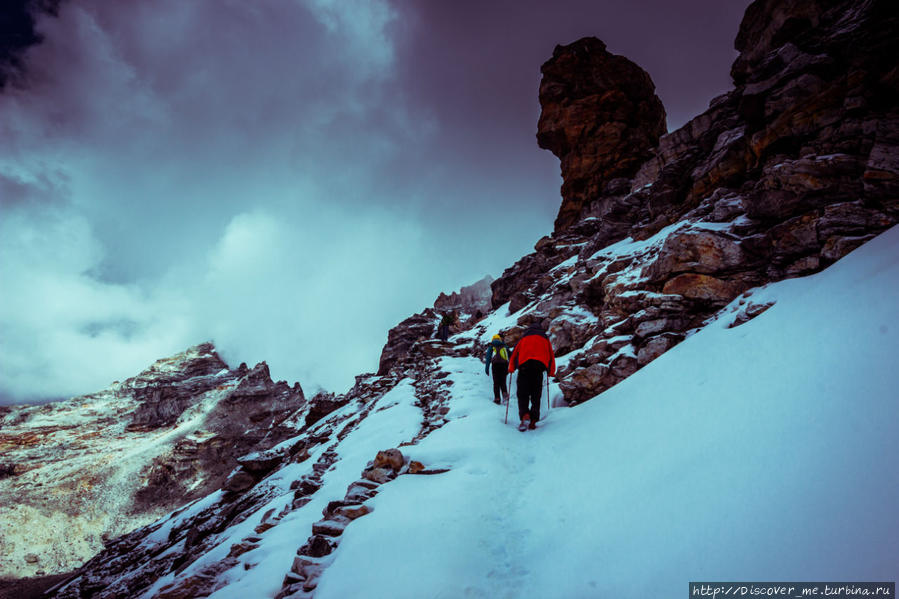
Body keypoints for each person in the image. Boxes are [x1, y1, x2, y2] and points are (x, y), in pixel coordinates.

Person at [508, 323, 556, 431]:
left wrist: (511, 367)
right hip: (538, 368)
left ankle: (525, 415)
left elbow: (514, 354)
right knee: (536, 394)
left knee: (522, 393)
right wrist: (551, 372)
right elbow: (550, 355)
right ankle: (534, 419)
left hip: (524, 367)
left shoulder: (524, 337)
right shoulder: (545, 338)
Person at [484, 334, 511, 405]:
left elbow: (488, 358)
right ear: (500, 339)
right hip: (504, 366)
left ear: (493, 340)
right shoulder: (504, 346)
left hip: (495, 366)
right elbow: (510, 356)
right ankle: (505, 396)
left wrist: (487, 368)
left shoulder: (491, 347)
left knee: (496, 382)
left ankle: (497, 398)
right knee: (503, 381)